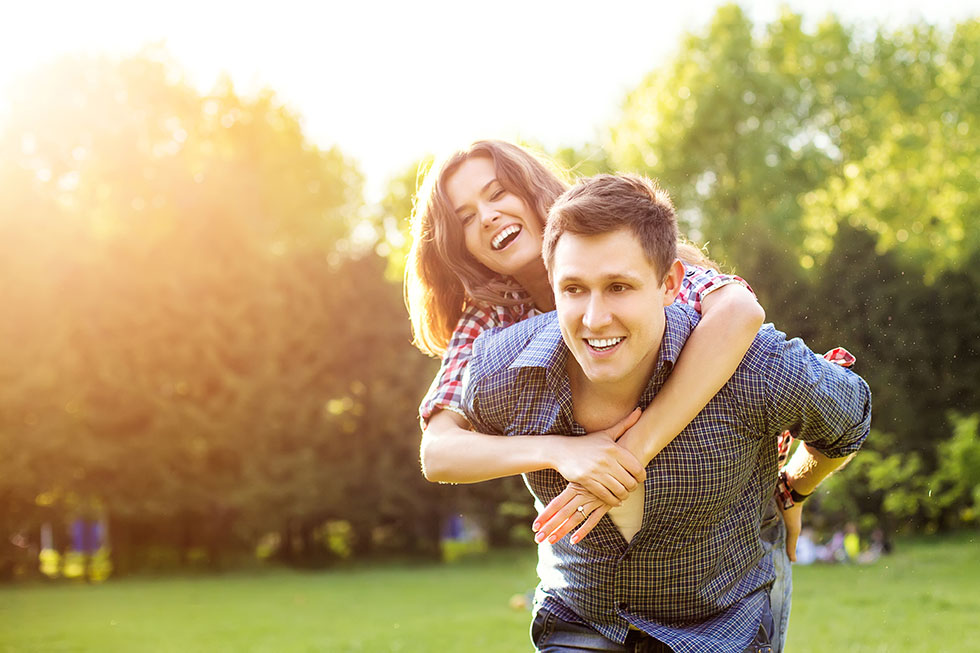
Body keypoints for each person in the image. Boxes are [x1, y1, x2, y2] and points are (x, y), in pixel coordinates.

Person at [463, 174, 872, 652]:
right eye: (574, 289)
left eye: (619, 287)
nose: (594, 319)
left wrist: (792, 488)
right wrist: (552, 450)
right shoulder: (504, 371)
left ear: (670, 284)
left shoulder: (752, 367)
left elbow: (850, 418)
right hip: (581, 618)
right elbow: (447, 445)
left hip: (718, 626)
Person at [405, 140, 783, 647]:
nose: (489, 217)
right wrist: (562, 452)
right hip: (594, 558)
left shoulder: (618, 247)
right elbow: (439, 449)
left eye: (498, 194)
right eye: (467, 217)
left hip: (718, 528)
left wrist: (626, 454)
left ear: (533, 191)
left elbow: (741, 315)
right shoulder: (493, 317)